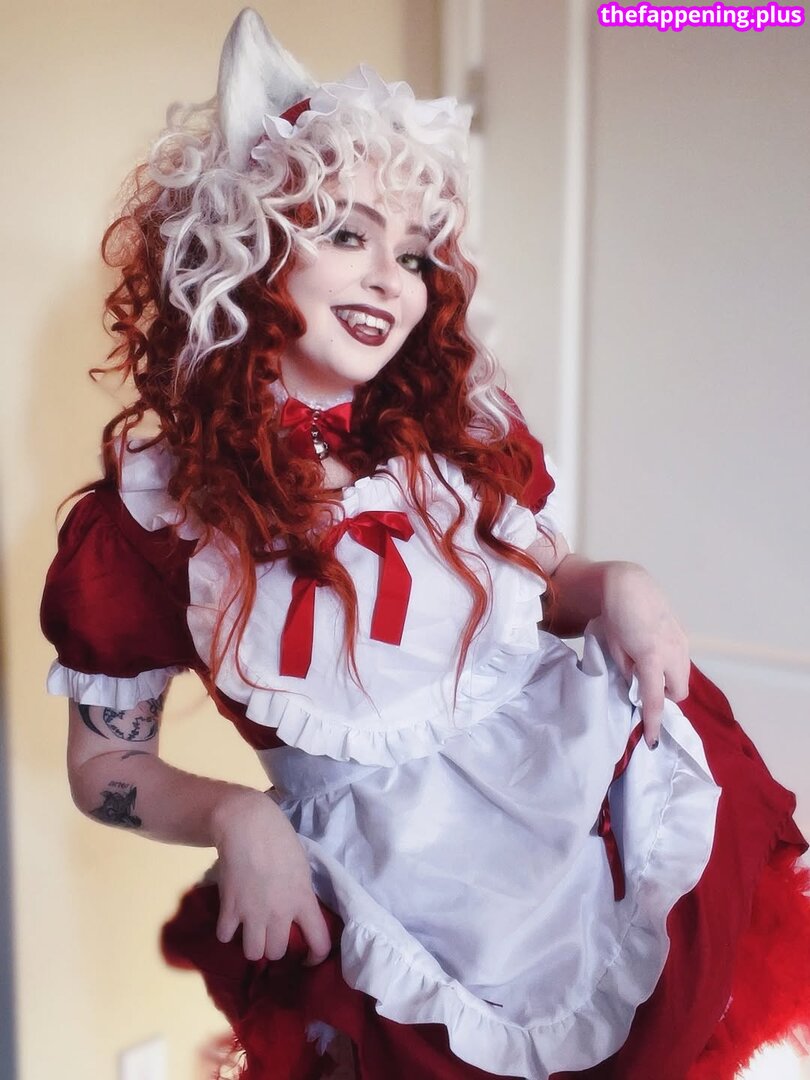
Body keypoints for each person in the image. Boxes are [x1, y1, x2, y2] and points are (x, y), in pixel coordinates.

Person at [41, 10, 809, 1080]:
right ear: (242, 247)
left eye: (411, 253)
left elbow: (542, 590)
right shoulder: (151, 513)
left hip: (569, 816)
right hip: (391, 898)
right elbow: (103, 766)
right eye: (345, 235)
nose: (390, 280)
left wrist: (612, 585)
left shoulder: (456, 434)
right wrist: (236, 817)